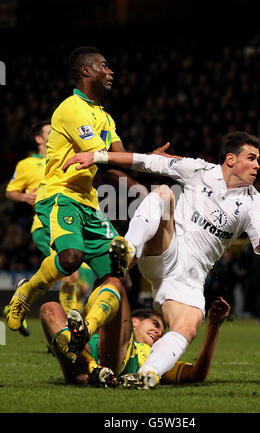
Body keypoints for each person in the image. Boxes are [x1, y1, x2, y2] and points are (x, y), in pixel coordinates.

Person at [61, 130, 260, 388]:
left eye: (259, 160)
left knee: (189, 325)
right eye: (252, 158)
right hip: (166, 250)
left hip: (189, 278)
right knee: (164, 193)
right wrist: (97, 156)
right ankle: (128, 249)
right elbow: (146, 161)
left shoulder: (256, 203)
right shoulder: (199, 170)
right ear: (231, 159)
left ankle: (147, 374)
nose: (258, 165)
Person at [6, 46, 172, 358]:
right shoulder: (71, 109)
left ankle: (83, 330)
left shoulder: (105, 117)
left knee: (119, 276)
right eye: (104, 66)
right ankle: (27, 293)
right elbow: (107, 165)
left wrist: (148, 167)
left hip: (88, 202)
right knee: (71, 258)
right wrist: (147, 182)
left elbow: (118, 159)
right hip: (60, 195)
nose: (111, 72)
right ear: (86, 71)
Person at [3, 120, 93, 327]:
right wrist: (26, 198)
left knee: (84, 285)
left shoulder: (64, 156)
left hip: (71, 224)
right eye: (49, 131)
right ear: (38, 139)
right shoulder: (26, 164)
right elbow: (10, 192)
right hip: (44, 226)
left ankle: (72, 324)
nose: (54, 133)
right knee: (71, 275)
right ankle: (69, 329)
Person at [40, 291, 230, 387]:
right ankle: (90, 366)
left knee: (117, 290)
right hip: (81, 361)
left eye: (161, 333)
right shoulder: (113, 332)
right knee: (48, 308)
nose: (158, 334)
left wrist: (213, 326)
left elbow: (196, 374)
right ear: (134, 321)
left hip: (113, 364)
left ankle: (90, 363)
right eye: (155, 325)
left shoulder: (156, 357)